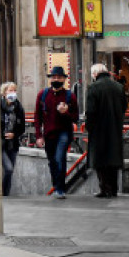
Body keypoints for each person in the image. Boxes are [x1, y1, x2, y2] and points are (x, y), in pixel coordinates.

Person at [34, 66, 79, 199]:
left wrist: (66, 113)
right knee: (52, 161)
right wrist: (38, 136)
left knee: (60, 158)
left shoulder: (70, 96)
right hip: (49, 133)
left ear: (64, 79)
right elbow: (37, 117)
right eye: (54, 77)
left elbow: (76, 117)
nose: (56, 79)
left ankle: (60, 188)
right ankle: (56, 185)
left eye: (59, 77)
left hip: (64, 132)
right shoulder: (42, 95)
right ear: (50, 79)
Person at [85, 63, 127, 198]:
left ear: (94, 74)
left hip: (98, 130)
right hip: (115, 127)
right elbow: (124, 106)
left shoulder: (93, 88)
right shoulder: (119, 87)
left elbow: (90, 111)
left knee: (100, 160)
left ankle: (105, 188)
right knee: (113, 158)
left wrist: (89, 126)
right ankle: (114, 189)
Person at [0, 81, 26, 195]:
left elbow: (22, 126)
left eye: (14, 90)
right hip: (0, 143)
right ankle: (2, 193)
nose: (13, 93)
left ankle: (6, 194)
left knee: (9, 171)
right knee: (8, 169)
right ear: (4, 93)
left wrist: (14, 134)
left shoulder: (18, 107)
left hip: (13, 143)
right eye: (10, 90)